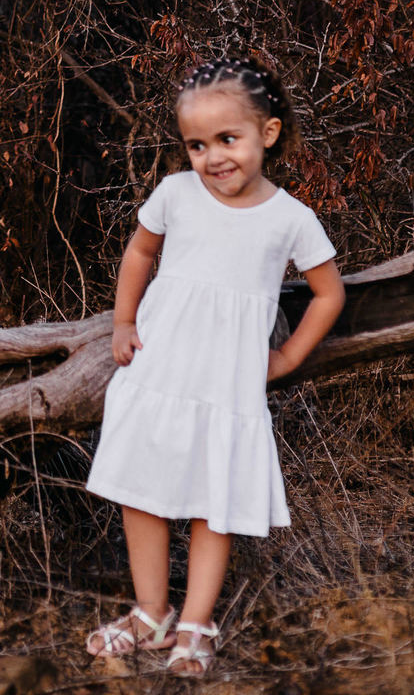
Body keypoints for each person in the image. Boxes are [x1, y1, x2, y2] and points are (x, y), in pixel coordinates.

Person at [83, 57, 346, 676]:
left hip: (226, 389)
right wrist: (123, 322)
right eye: (197, 144)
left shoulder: (290, 218)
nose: (212, 157)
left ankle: (197, 623)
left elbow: (329, 293)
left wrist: (287, 355)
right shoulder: (177, 193)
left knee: (212, 502)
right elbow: (139, 252)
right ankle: (151, 612)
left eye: (228, 139)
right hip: (160, 372)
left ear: (268, 134)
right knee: (139, 490)